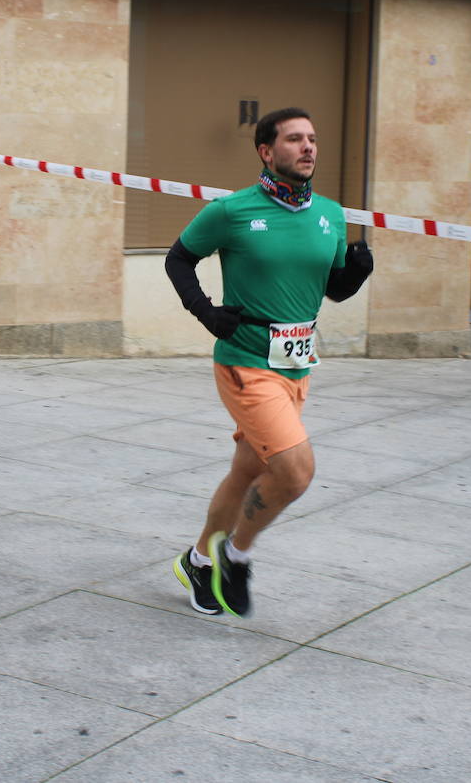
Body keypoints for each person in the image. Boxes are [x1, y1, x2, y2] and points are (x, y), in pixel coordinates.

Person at [166, 107, 374, 617]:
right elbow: (179, 258)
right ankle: (236, 555)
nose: (308, 147)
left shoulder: (330, 214)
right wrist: (205, 311)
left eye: (313, 139)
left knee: (248, 472)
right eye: (295, 139)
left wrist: (355, 275)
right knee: (296, 471)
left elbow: (331, 288)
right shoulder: (232, 211)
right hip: (245, 362)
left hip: (297, 368)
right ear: (266, 151)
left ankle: (197, 560)